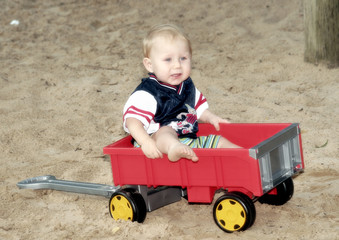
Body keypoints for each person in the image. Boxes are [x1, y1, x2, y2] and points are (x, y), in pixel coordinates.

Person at [123, 24, 240, 162]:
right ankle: (174, 148)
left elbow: (197, 108)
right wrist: (145, 143)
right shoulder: (148, 92)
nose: (177, 65)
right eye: (168, 59)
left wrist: (211, 117)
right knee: (166, 131)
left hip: (187, 140)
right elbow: (133, 122)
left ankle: (246, 156)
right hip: (157, 145)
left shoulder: (187, 85)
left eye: (183, 58)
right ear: (150, 65)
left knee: (219, 141)